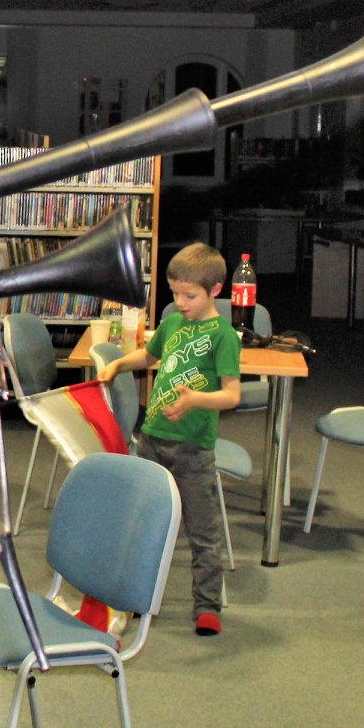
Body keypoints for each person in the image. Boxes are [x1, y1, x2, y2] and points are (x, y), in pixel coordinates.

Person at [97, 241, 242, 636]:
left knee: (202, 532)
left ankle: (207, 606)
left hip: (193, 449)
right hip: (152, 440)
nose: (180, 302)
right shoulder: (173, 323)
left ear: (215, 290)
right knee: (143, 523)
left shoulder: (224, 336)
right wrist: (118, 365)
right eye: (175, 293)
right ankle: (134, 597)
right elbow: (149, 356)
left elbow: (232, 395)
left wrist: (195, 399)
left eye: (189, 295)